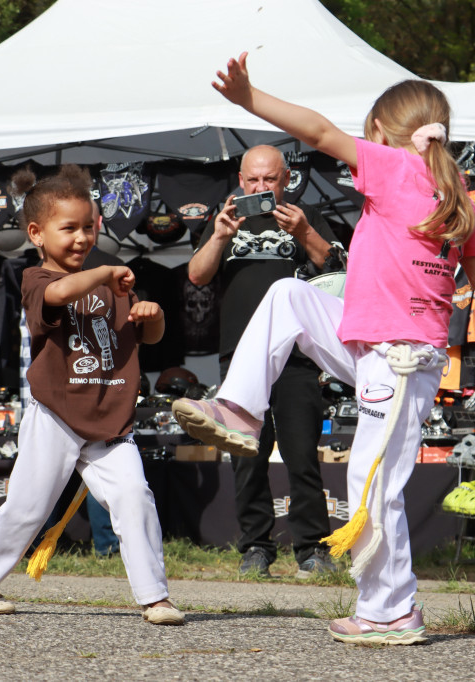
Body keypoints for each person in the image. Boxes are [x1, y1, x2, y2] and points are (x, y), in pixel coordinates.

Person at [173, 53, 475, 645]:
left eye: (368, 133)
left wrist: (251, 100)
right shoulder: (455, 191)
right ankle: (241, 409)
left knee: (373, 484)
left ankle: (392, 611)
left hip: (399, 358)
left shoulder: (396, 169)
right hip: (370, 342)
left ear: (381, 132)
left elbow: (319, 131)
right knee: (287, 295)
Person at [0, 165, 183, 625]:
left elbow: (149, 338)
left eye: (88, 227)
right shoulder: (36, 280)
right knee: (28, 507)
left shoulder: (111, 281)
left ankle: (155, 597)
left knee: (135, 496)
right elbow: (59, 294)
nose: (81, 237)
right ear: (36, 233)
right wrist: (102, 274)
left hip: (109, 415)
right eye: (69, 228)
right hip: (56, 412)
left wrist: (149, 313)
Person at [188, 144, 341, 579]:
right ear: (240, 179)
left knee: (301, 454)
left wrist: (305, 231)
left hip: (296, 353)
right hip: (240, 355)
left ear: (286, 178)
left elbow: (337, 267)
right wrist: (218, 235)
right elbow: (197, 275)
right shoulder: (226, 219)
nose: (260, 188)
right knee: (246, 455)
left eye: (269, 180)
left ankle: (312, 549)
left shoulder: (303, 213)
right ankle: (256, 546)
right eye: (252, 180)